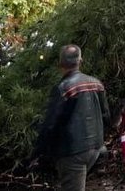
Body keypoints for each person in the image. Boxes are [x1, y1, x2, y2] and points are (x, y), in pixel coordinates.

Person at [29, 45, 110, 191]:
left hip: (73, 153)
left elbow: (50, 125)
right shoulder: (97, 83)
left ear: (60, 64)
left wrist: (36, 154)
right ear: (80, 61)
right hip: (96, 149)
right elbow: (105, 116)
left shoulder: (64, 88)